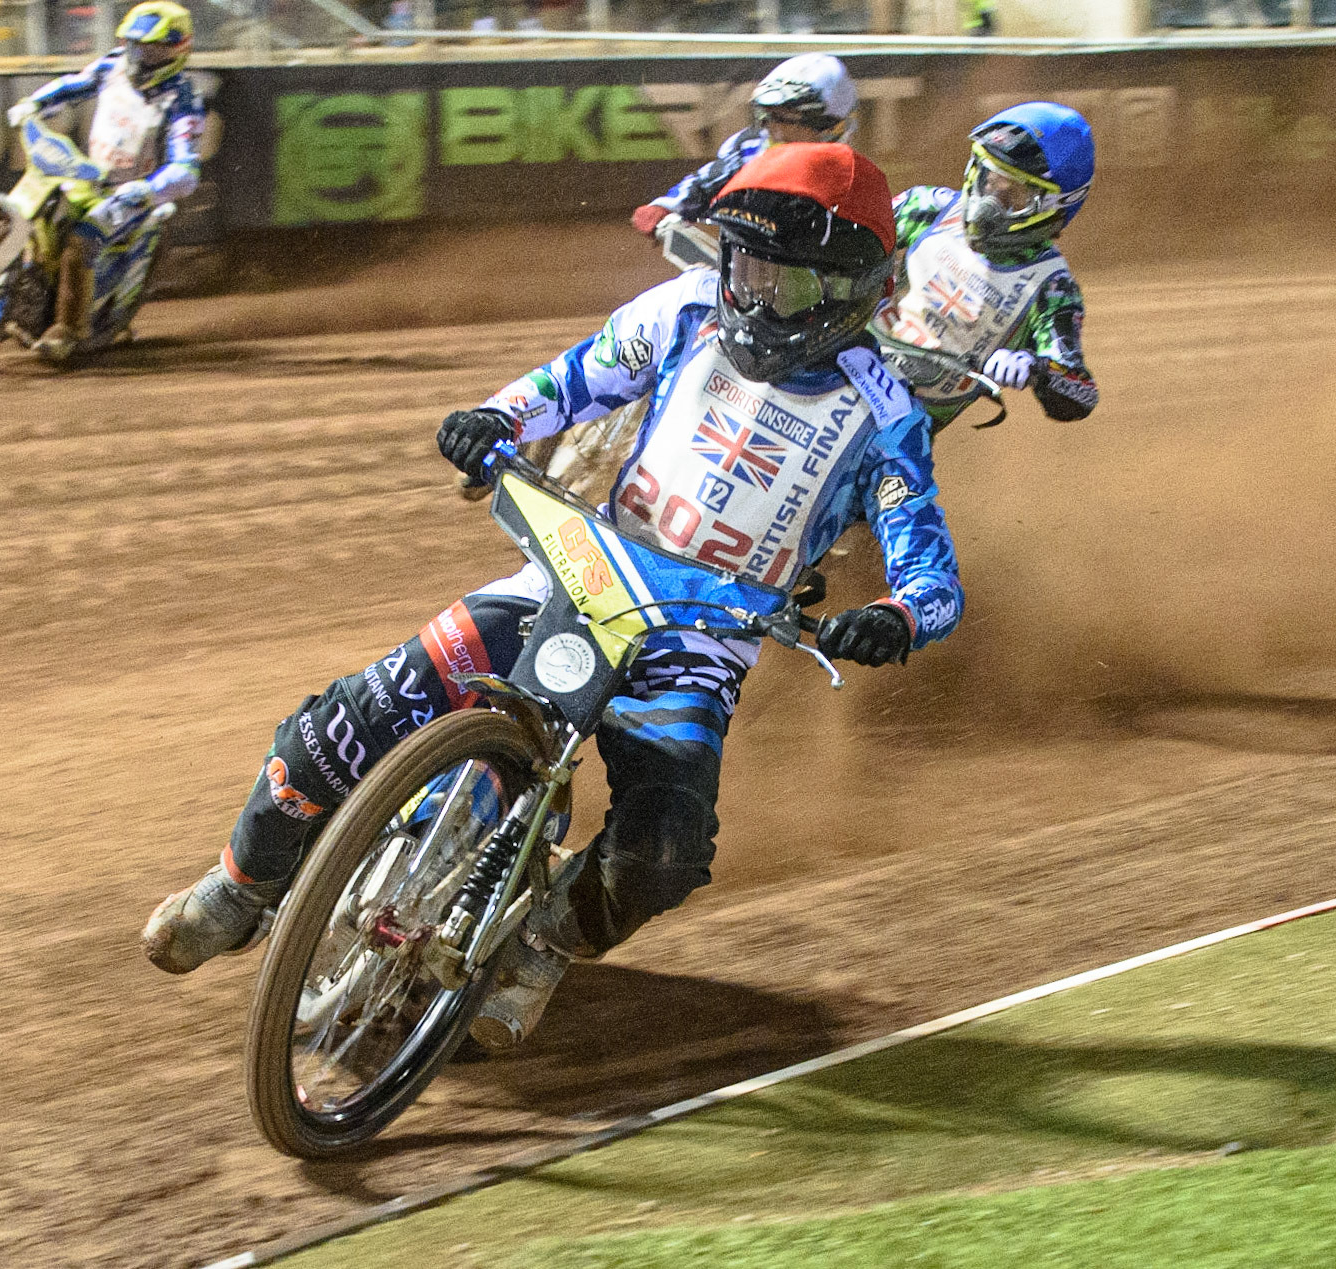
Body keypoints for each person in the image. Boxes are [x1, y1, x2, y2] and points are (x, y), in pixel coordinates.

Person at [142, 145, 964, 1052]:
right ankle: (238, 886)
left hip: (702, 639)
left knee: (664, 851)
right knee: (349, 716)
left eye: (789, 285)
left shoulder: (886, 415)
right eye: (745, 265)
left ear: (857, 291)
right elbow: (570, 380)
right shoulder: (687, 308)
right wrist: (496, 417)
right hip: (578, 566)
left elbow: (925, 562)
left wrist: (898, 615)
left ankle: (542, 942)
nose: (756, 295)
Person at [872, 102, 1098, 429]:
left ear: (1055, 207)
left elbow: (1081, 391)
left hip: (900, 433)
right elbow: (844, 244)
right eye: (989, 180)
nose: (988, 206)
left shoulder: (1051, 287)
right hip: (834, 375)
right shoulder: (926, 208)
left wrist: (1037, 369)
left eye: (1014, 196)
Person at [4, 0, 202, 362]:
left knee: (83, 239)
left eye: (155, 49)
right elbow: (71, 86)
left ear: (177, 51)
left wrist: (147, 190)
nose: (143, 56)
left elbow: (186, 168)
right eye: (138, 46)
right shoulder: (112, 66)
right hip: (90, 176)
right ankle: (4, 301)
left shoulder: (182, 100)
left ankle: (67, 330)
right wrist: (33, 105)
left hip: (133, 195)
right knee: (41, 220)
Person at [631, 52, 857, 239]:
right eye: (768, 115)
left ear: (827, 126)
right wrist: (666, 206)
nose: (771, 127)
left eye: (784, 117)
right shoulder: (751, 148)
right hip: (744, 270)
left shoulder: (852, 177)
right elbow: (705, 182)